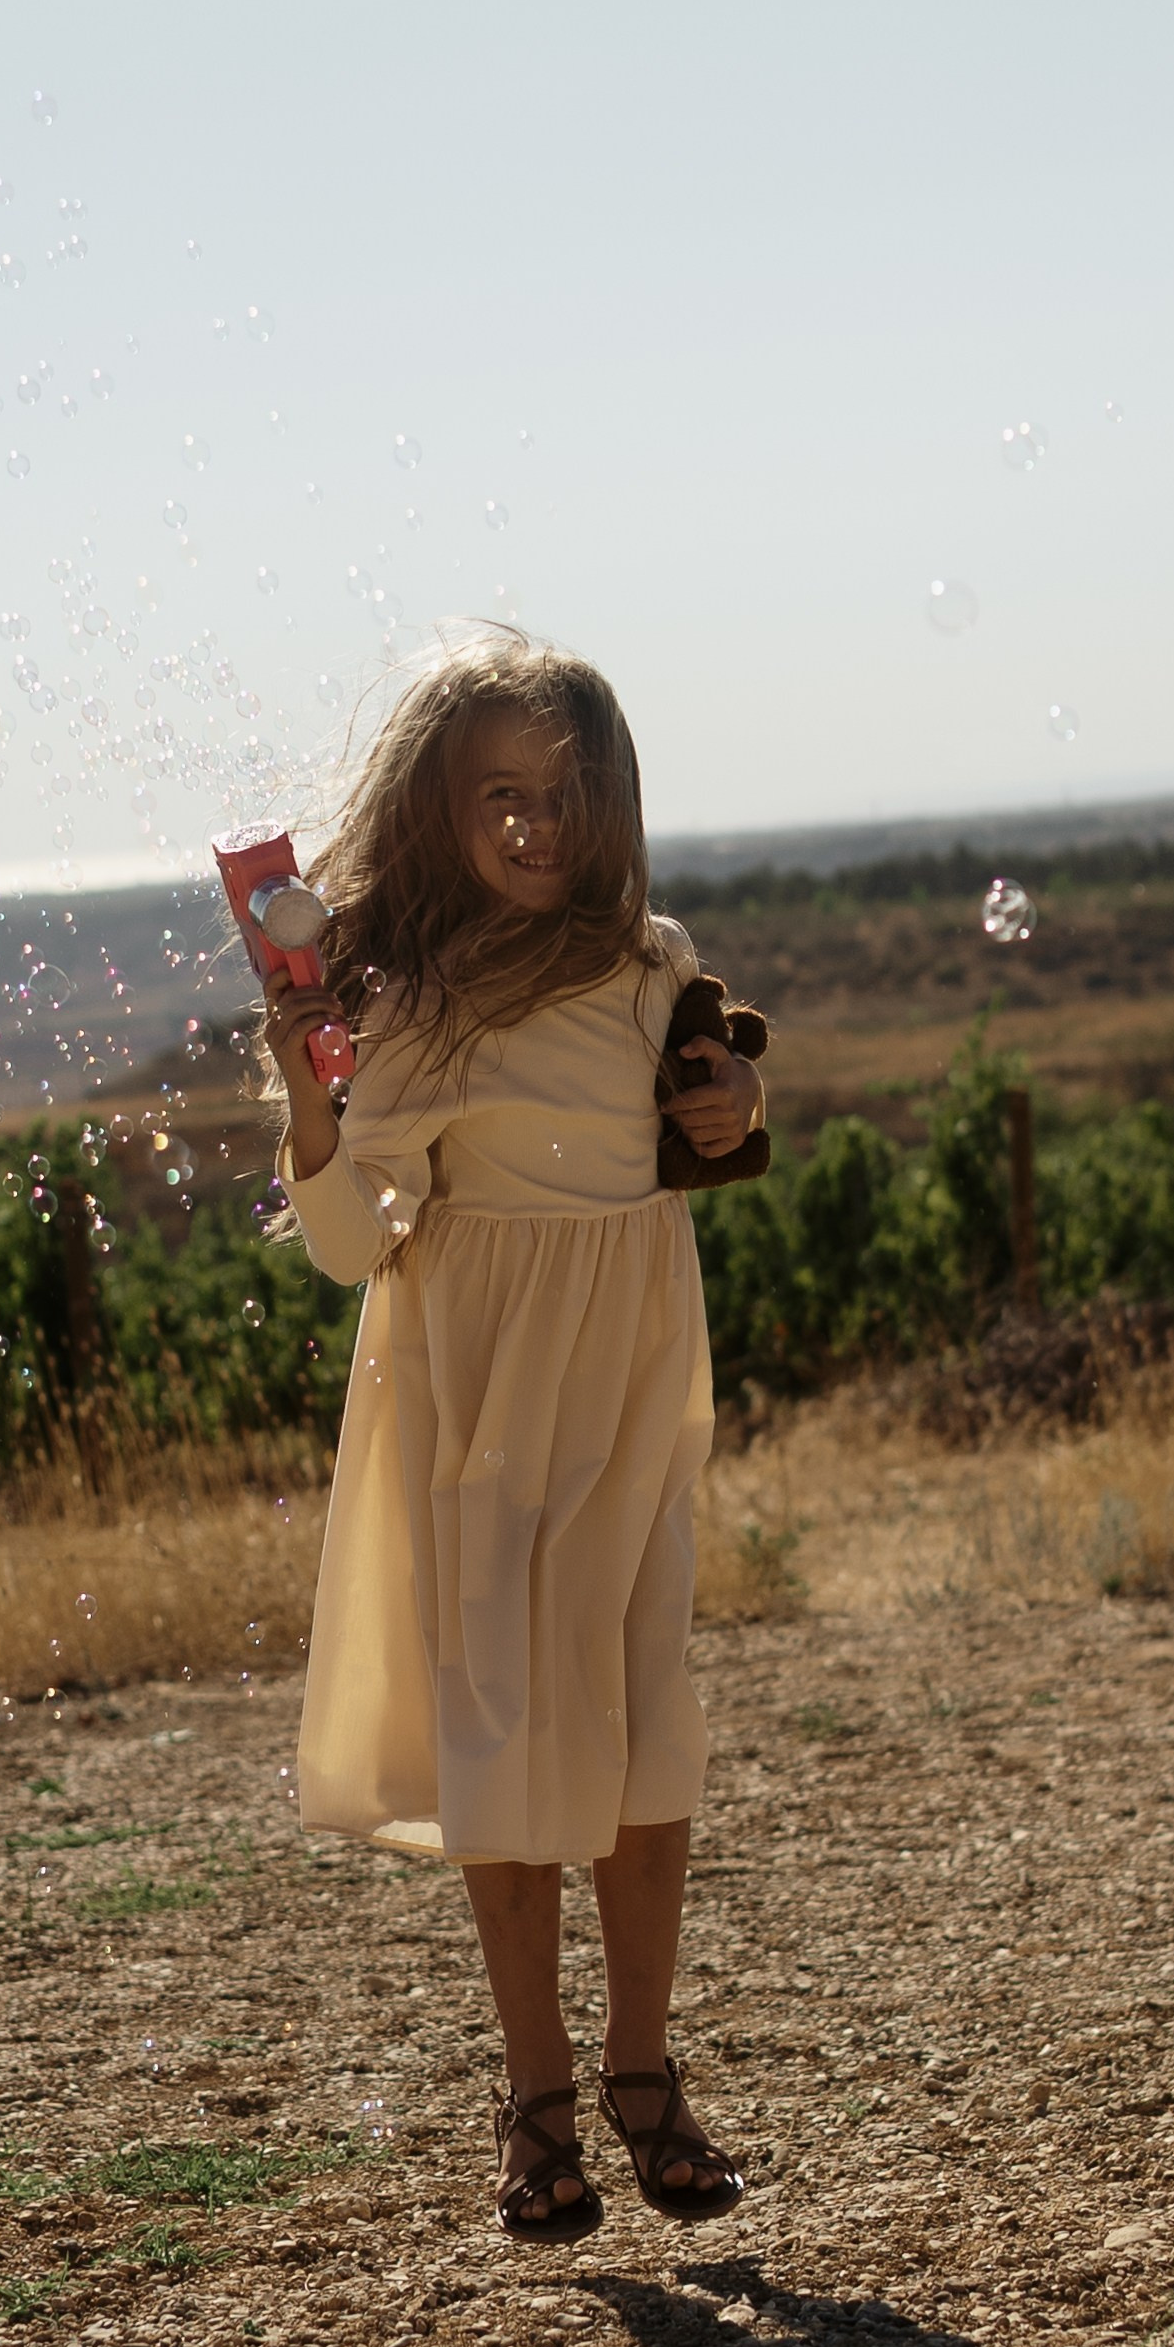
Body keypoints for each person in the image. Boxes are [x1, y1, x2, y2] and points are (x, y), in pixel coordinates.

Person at [261, 632, 762, 2243]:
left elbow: (692, 1123)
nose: (536, 826)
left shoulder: (649, 958)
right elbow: (349, 1247)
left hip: (629, 1380)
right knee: (508, 1728)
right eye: (498, 798)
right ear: (439, 810)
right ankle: (535, 2089)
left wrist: (733, 1117)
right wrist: (313, 1111)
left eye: (562, 794)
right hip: (480, 1398)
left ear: (608, 798)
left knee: (637, 1724)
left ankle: (644, 2069)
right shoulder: (409, 1008)